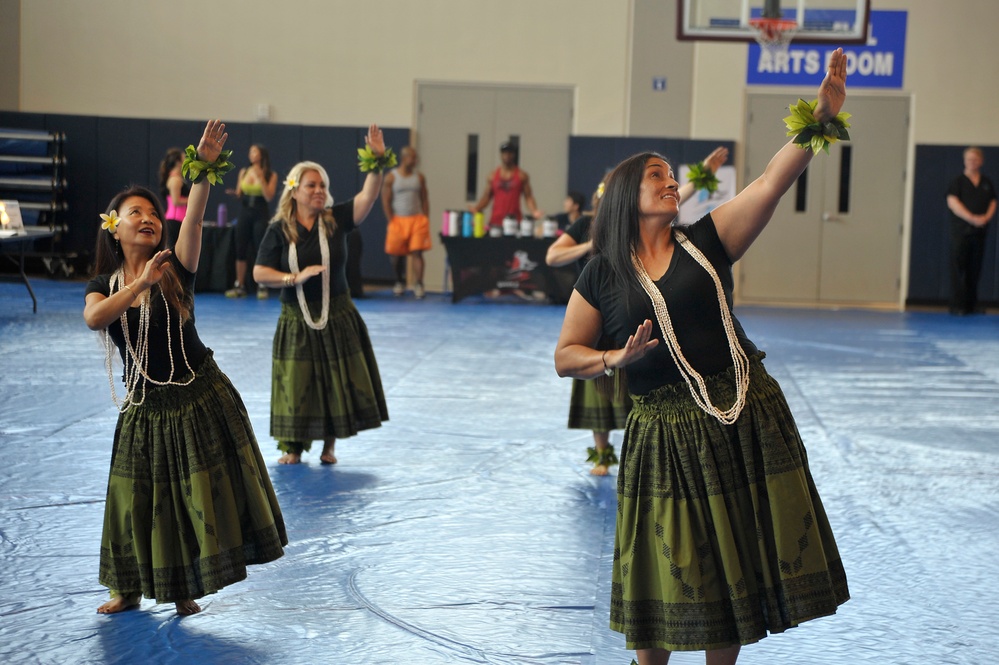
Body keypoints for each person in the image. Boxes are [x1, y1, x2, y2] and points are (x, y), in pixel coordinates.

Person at [554, 51, 850, 663]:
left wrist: (818, 119)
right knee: (667, 569)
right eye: (656, 175)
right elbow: (565, 356)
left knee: (733, 565)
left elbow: (771, 179)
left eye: (671, 175)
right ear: (625, 200)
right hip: (663, 431)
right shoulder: (602, 274)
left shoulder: (709, 239)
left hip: (739, 412)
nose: (670, 181)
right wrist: (615, 356)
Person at [83, 120, 287, 616]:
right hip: (143, 406)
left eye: (154, 213)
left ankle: (183, 585)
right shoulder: (104, 283)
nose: (149, 218)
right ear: (115, 227)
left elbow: (192, 221)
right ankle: (127, 586)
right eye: (136, 213)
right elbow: (94, 318)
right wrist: (138, 286)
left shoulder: (176, 267)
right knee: (135, 498)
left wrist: (203, 170)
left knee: (192, 495)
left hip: (197, 394)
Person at [547, 148, 728, 476]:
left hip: (629, 311)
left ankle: (636, 435)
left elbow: (678, 194)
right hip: (596, 312)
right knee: (595, 388)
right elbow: (552, 257)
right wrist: (591, 245)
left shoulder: (644, 223)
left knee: (639, 376)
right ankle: (601, 454)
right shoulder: (585, 225)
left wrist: (703, 172)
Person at [253, 124, 390, 465]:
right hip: (296, 318)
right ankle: (293, 447)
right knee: (296, 383)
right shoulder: (279, 228)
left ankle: (330, 445)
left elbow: (369, 195)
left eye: (323, 185)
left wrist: (376, 159)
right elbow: (259, 272)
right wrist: (294, 277)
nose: (319, 190)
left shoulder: (336, 219)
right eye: (311, 185)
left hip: (338, 314)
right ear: (294, 190)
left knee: (334, 380)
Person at [946, 146, 996, 315]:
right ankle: (957, 305)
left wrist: (986, 218)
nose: (972, 162)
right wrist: (972, 218)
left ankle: (971, 304)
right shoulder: (958, 182)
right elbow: (953, 203)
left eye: (975, 159)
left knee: (975, 268)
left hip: (980, 232)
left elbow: (992, 202)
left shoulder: (986, 182)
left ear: (981, 161)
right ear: (964, 161)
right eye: (969, 159)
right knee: (959, 267)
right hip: (961, 231)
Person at [226, 144, 279, 299]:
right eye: (250, 151)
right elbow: (239, 192)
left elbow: (269, 196)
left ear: (261, 155)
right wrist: (235, 193)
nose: (251, 154)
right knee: (240, 247)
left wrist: (261, 177)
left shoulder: (271, 174)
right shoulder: (243, 171)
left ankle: (262, 285)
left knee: (260, 248)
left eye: (254, 151)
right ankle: (239, 285)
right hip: (244, 211)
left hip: (260, 212)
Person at [382, 146, 430, 299]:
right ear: (404, 158)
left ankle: (419, 284)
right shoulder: (391, 177)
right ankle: (399, 281)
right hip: (398, 219)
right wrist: (391, 220)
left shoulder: (419, 177)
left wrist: (425, 218)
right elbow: (386, 201)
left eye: (416, 158)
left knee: (417, 252)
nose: (416, 161)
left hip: (416, 219)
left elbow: (424, 198)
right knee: (396, 255)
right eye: (413, 158)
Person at [470, 141, 542, 228]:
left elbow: (528, 197)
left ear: (514, 155)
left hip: (514, 221)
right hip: (496, 221)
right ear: (501, 155)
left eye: (510, 153)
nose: (507, 155)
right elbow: (486, 197)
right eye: (504, 153)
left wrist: (534, 211)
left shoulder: (521, 175)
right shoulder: (492, 176)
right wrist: (477, 208)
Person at [157, 147, 189, 248]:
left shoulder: (177, 178)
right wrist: (192, 200)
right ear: (178, 162)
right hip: (174, 221)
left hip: (179, 220)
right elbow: (176, 201)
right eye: (184, 158)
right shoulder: (175, 180)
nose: (186, 161)